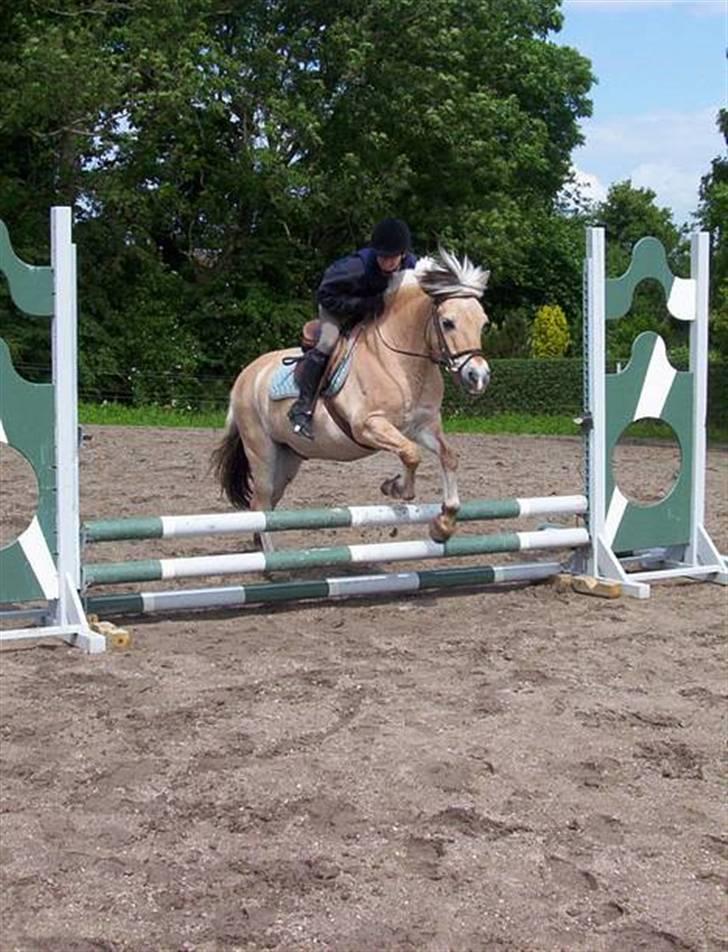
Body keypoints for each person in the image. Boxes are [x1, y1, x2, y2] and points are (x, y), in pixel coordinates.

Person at [289, 217, 417, 439]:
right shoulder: (352, 269)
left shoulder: (410, 265)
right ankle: (302, 408)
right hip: (336, 307)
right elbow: (325, 295)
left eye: (392, 257)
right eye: (382, 257)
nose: (387, 262)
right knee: (329, 341)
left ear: (403, 254)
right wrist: (363, 305)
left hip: (372, 309)